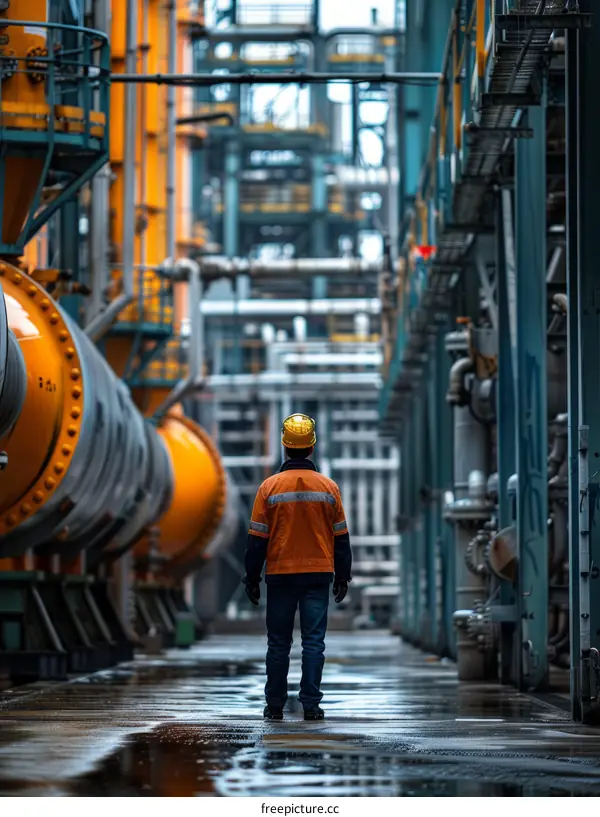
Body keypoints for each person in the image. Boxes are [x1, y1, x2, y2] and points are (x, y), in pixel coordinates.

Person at [242, 413, 352, 722]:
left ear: (284, 445)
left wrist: (251, 577)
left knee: (278, 643)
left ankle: (274, 705)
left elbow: (256, 539)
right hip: (318, 575)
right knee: (313, 642)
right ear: (312, 447)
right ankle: (311, 706)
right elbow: (341, 537)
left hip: (279, 575)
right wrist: (343, 575)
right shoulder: (329, 488)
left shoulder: (269, 488)